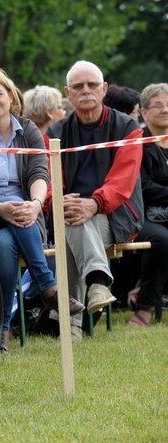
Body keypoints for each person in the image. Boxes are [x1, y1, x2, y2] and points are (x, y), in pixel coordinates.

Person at [0, 67, 84, 353]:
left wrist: (36, 204)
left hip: (26, 215)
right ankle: (48, 286)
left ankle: (1, 330)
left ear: (11, 96)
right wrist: (0, 207)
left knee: (5, 245)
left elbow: (40, 173)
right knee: (10, 219)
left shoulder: (28, 130)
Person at [46, 60, 144, 340]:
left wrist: (94, 204)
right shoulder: (54, 133)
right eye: (78, 86)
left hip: (117, 214)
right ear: (68, 93)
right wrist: (61, 201)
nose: (85, 90)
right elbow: (50, 180)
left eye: (92, 85)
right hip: (72, 212)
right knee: (73, 219)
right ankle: (98, 283)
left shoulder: (129, 128)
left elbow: (122, 183)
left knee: (73, 223)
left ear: (104, 89)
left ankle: (71, 326)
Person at [128, 83, 168, 326]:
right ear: (144, 113)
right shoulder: (137, 143)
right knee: (161, 239)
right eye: (158, 105)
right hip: (144, 215)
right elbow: (141, 185)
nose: (165, 110)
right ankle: (146, 305)